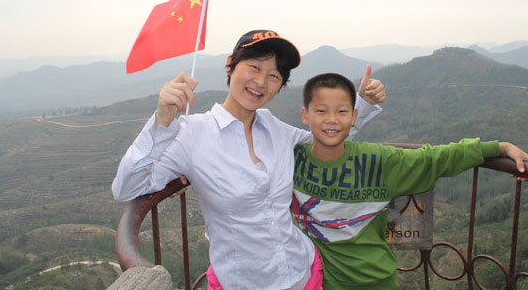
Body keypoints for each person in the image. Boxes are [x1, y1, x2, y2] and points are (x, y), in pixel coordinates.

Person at [112, 30, 387, 290]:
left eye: (274, 76)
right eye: (254, 67)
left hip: (305, 274)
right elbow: (126, 189)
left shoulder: (275, 128)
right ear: (230, 65)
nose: (261, 82)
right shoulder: (192, 134)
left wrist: (362, 104)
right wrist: (161, 121)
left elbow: (327, 144)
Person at [291, 73, 528, 290]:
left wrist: (499, 147)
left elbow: (434, 158)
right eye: (321, 111)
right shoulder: (290, 159)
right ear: (305, 115)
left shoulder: (378, 162)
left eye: (342, 111)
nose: (332, 119)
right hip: (317, 280)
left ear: (354, 116)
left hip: (374, 280)